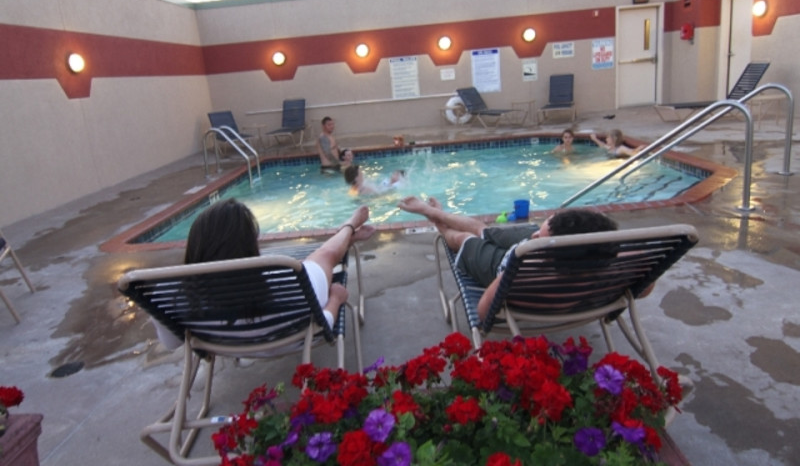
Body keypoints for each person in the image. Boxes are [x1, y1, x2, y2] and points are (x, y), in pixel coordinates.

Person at [153, 198, 375, 350]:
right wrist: (336, 299)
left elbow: (173, 344)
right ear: (250, 247)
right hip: (292, 339)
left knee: (319, 258)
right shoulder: (289, 280)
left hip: (223, 345)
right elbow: (322, 324)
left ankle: (347, 234)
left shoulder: (168, 295)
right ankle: (348, 228)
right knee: (324, 255)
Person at [397, 196, 625, 321]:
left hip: (504, 264)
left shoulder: (521, 273)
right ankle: (437, 213)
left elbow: (484, 312)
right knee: (484, 230)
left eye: (539, 237)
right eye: (539, 231)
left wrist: (507, 273)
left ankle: (433, 216)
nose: (533, 234)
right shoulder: (598, 261)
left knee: (465, 237)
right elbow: (644, 287)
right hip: (537, 255)